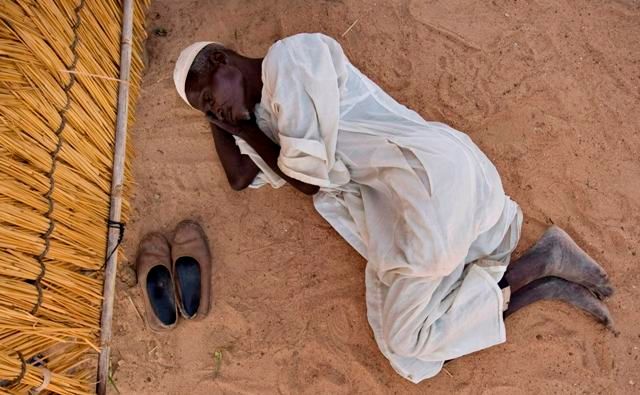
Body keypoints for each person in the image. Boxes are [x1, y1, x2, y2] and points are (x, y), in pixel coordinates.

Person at [172, 33, 614, 382]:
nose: (219, 114)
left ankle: (541, 269)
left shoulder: (292, 60)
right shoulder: (267, 120)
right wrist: (221, 118)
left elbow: (306, 182)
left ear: (221, 61)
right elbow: (239, 178)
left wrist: (242, 128)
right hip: (413, 201)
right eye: (208, 111)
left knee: (409, 341)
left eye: (210, 98)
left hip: (423, 187)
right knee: (407, 346)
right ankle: (539, 279)